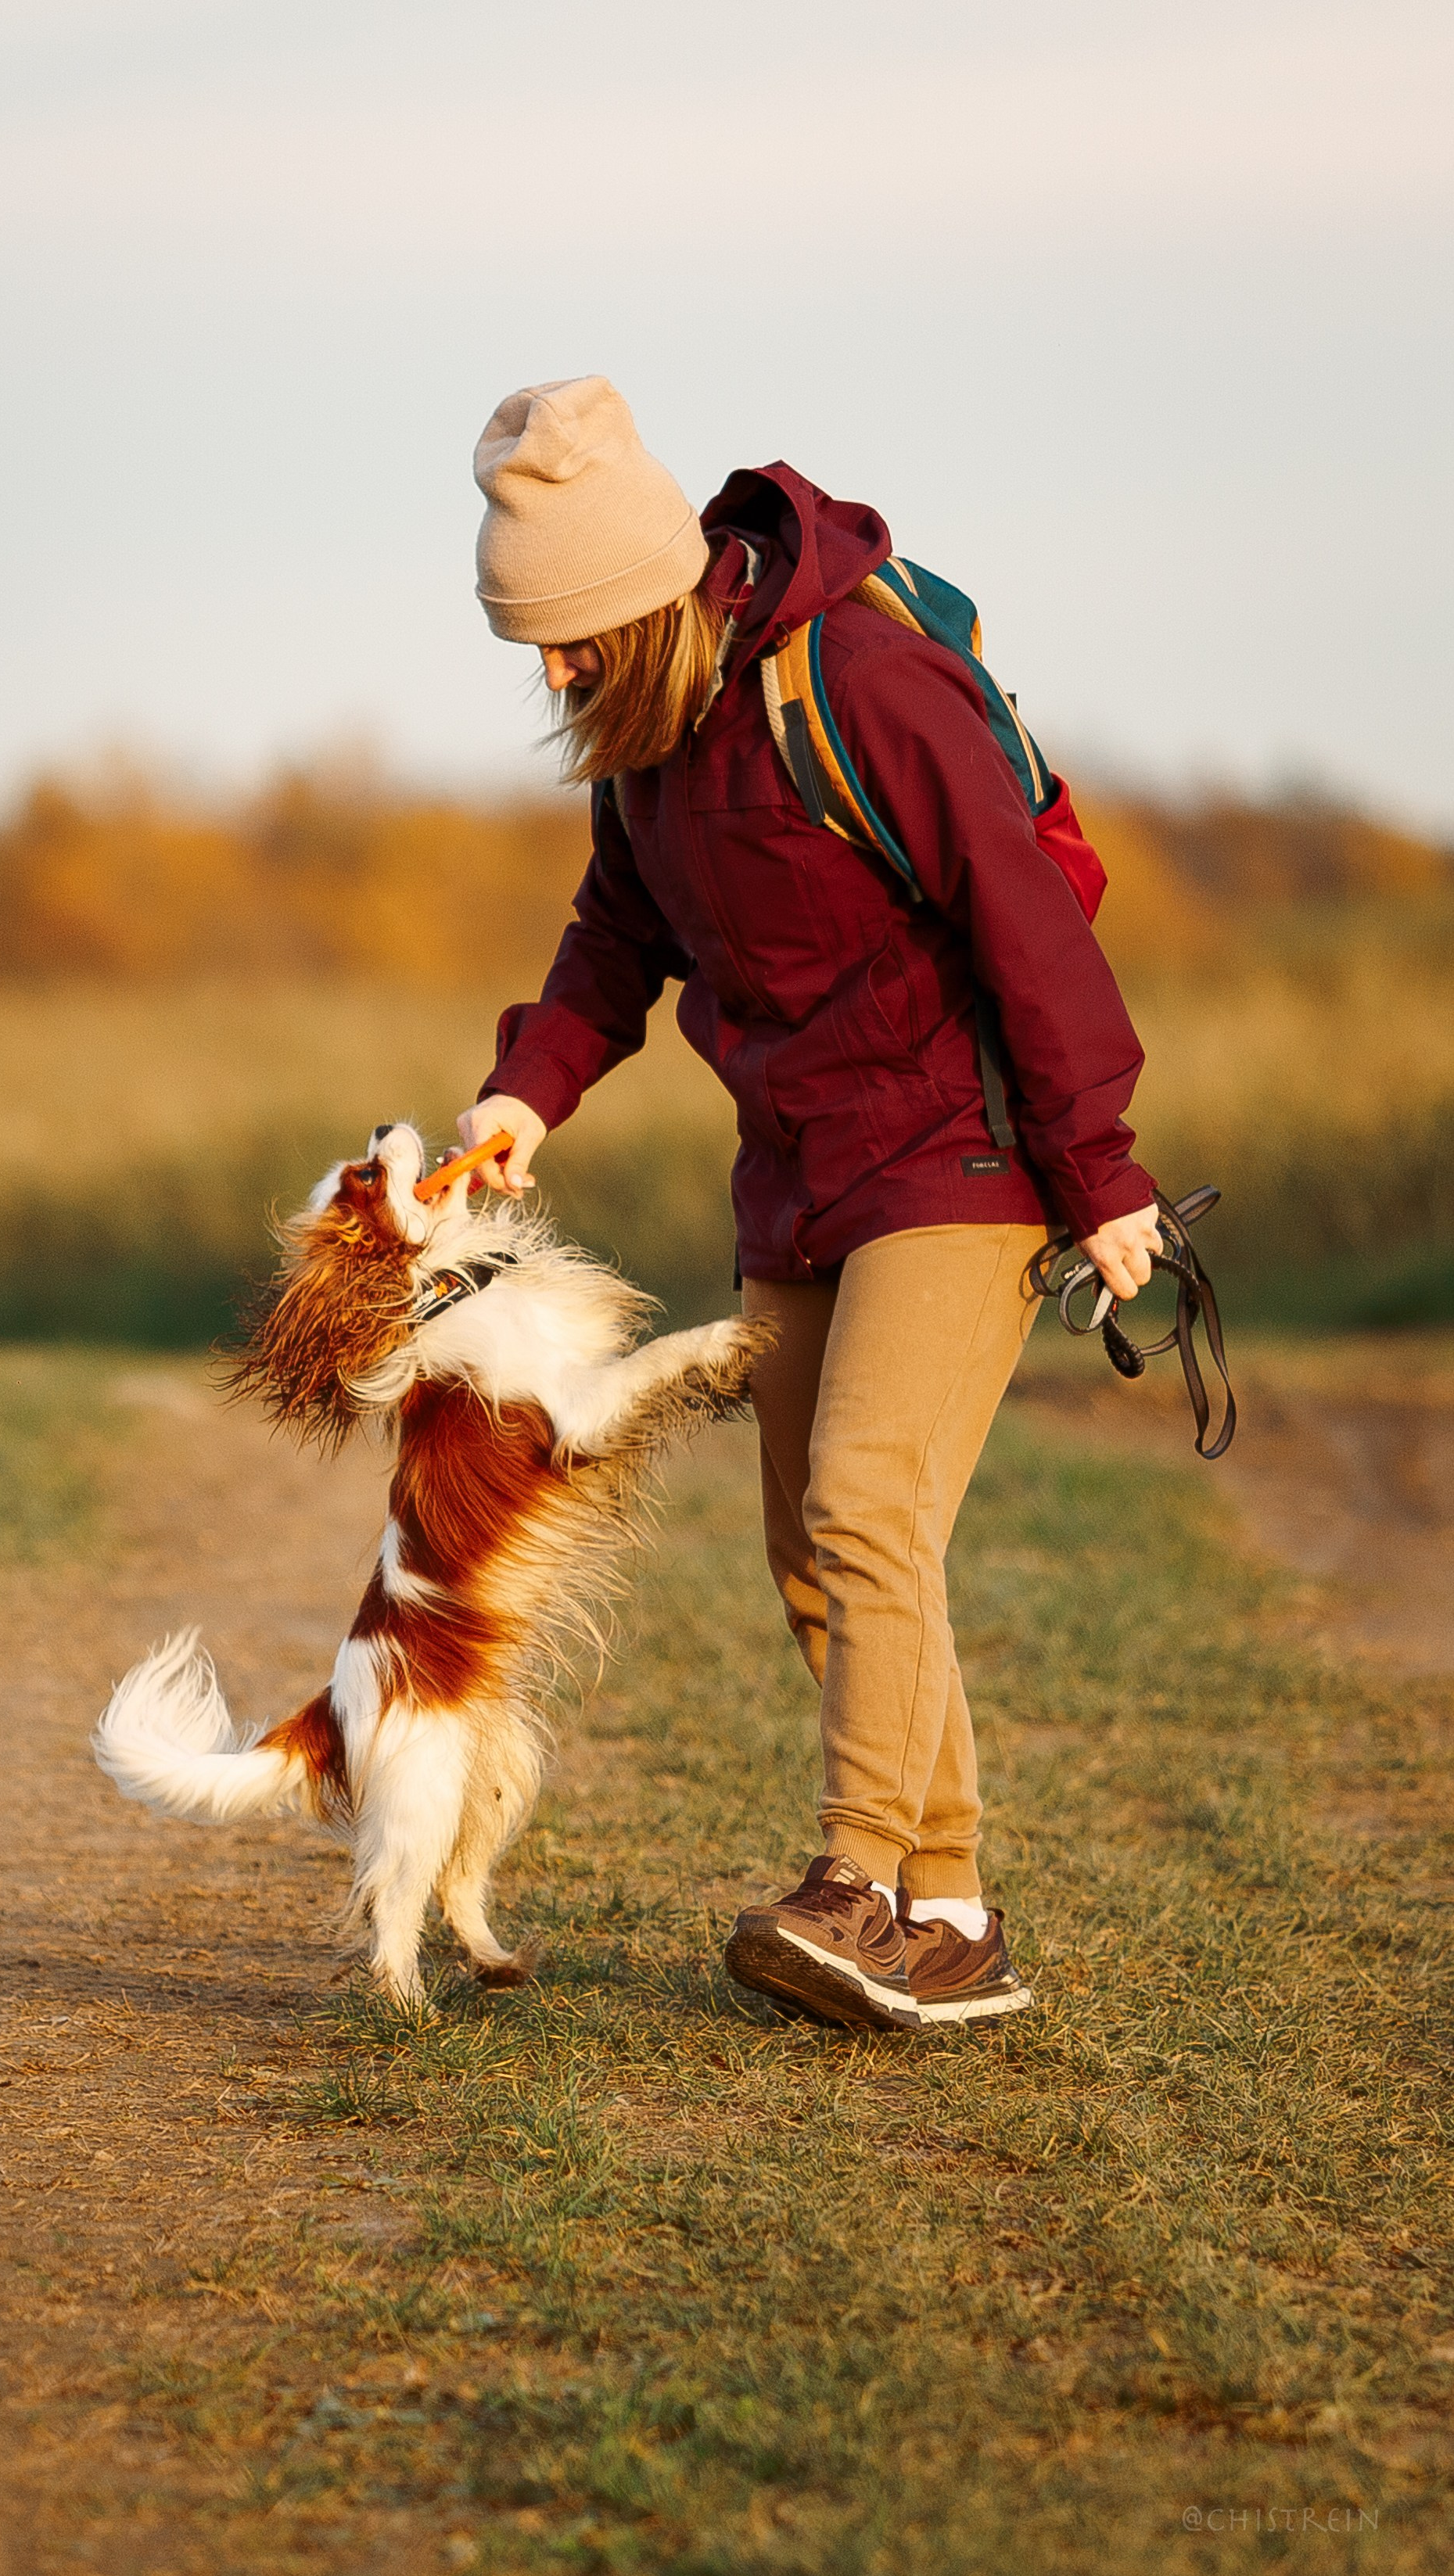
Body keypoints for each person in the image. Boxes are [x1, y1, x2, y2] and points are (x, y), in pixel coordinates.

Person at [457, 377, 1161, 2032]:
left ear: (641, 600)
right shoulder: (648, 749)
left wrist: (1101, 1172)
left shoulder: (859, 685)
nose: (550, 675)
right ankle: (949, 1920)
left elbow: (1027, 924)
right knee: (812, 1558)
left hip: (958, 1159)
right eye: (528, 647)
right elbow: (614, 943)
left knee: (865, 1506)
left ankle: (853, 1883)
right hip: (798, 1175)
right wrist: (525, 1091)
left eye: (564, 640)